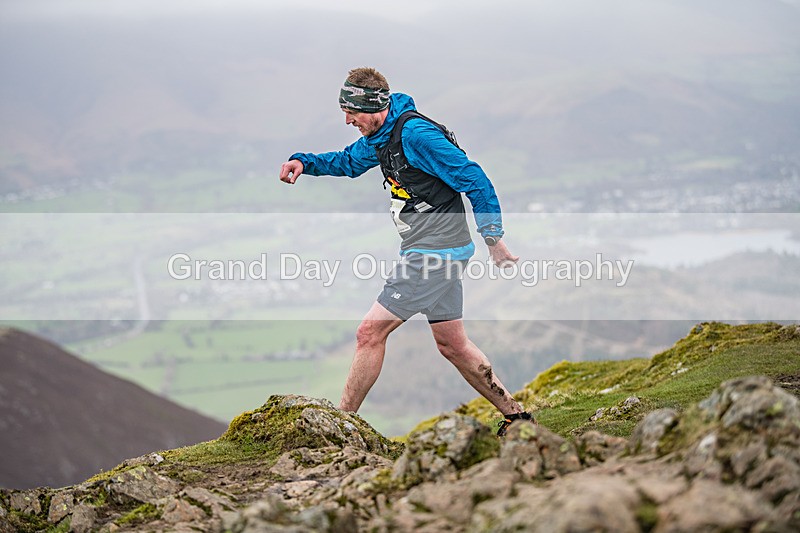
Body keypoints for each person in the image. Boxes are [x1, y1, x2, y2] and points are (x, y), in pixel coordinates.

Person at [279, 67, 533, 436]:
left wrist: (494, 239)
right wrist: (306, 161)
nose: (347, 119)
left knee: (369, 332)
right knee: (453, 344)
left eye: (352, 111)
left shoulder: (415, 135)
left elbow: (474, 179)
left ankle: (339, 427)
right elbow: (349, 162)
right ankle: (516, 416)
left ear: (374, 105)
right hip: (439, 248)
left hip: (435, 251)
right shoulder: (383, 134)